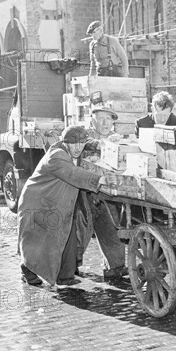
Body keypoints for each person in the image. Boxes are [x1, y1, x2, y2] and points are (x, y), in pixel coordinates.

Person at [17, 126, 116, 286]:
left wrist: (102, 144)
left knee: (66, 236)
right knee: (38, 241)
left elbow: (89, 146)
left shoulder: (69, 150)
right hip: (38, 203)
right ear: (65, 143)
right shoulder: (57, 156)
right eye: (73, 144)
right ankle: (27, 269)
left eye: (81, 143)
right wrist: (99, 180)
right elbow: (72, 173)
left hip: (55, 202)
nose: (78, 148)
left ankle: (65, 276)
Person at [76, 106, 128, 278]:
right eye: (101, 118)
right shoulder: (84, 136)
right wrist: (103, 144)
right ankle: (68, 267)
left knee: (111, 228)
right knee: (81, 231)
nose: (106, 123)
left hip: (107, 194)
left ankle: (115, 267)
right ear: (93, 121)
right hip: (85, 193)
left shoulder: (117, 139)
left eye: (109, 119)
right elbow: (84, 147)